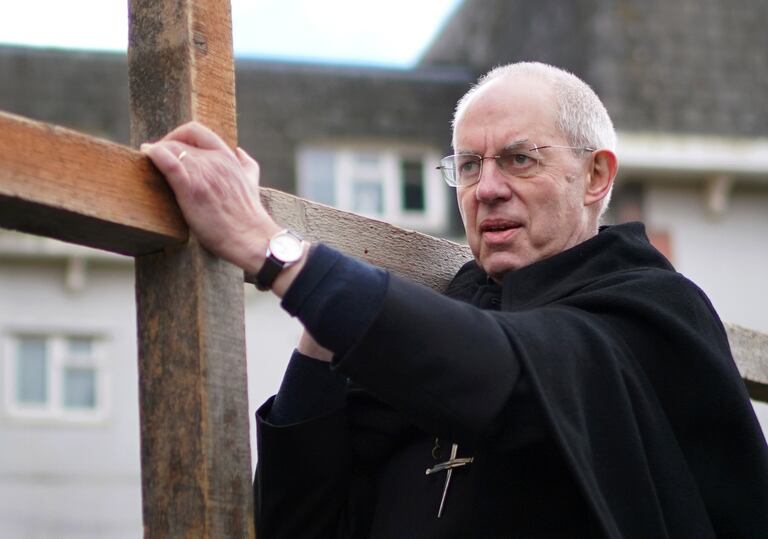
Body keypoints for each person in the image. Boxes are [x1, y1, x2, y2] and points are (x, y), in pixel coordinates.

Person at [142, 62, 768, 538]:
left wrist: (268, 247)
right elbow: (296, 524)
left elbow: (509, 375)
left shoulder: (651, 310)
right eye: (468, 166)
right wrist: (321, 344)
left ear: (596, 176)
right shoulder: (447, 316)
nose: (486, 189)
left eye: (519, 159)